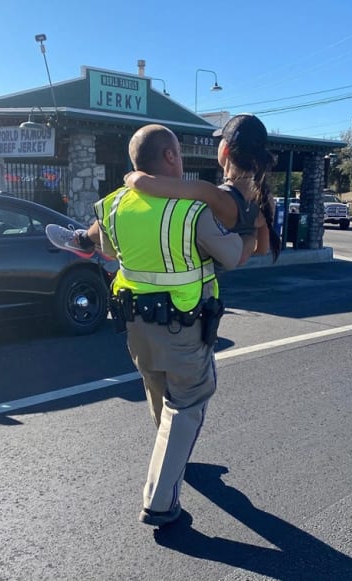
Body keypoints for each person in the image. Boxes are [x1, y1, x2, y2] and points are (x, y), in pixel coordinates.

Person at [93, 124, 244, 527]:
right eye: (178, 153)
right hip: (183, 327)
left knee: (158, 391)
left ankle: (172, 459)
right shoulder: (190, 210)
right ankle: (159, 501)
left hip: (137, 329)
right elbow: (231, 255)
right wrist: (254, 233)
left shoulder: (114, 205)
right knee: (188, 405)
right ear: (171, 157)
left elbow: (110, 251)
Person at [123, 113, 281, 266]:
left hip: (195, 282)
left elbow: (142, 182)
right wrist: (249, 238)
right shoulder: (266, 199)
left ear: (225, 149)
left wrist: (130, 176)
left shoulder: (210, 194)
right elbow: (261, 249)